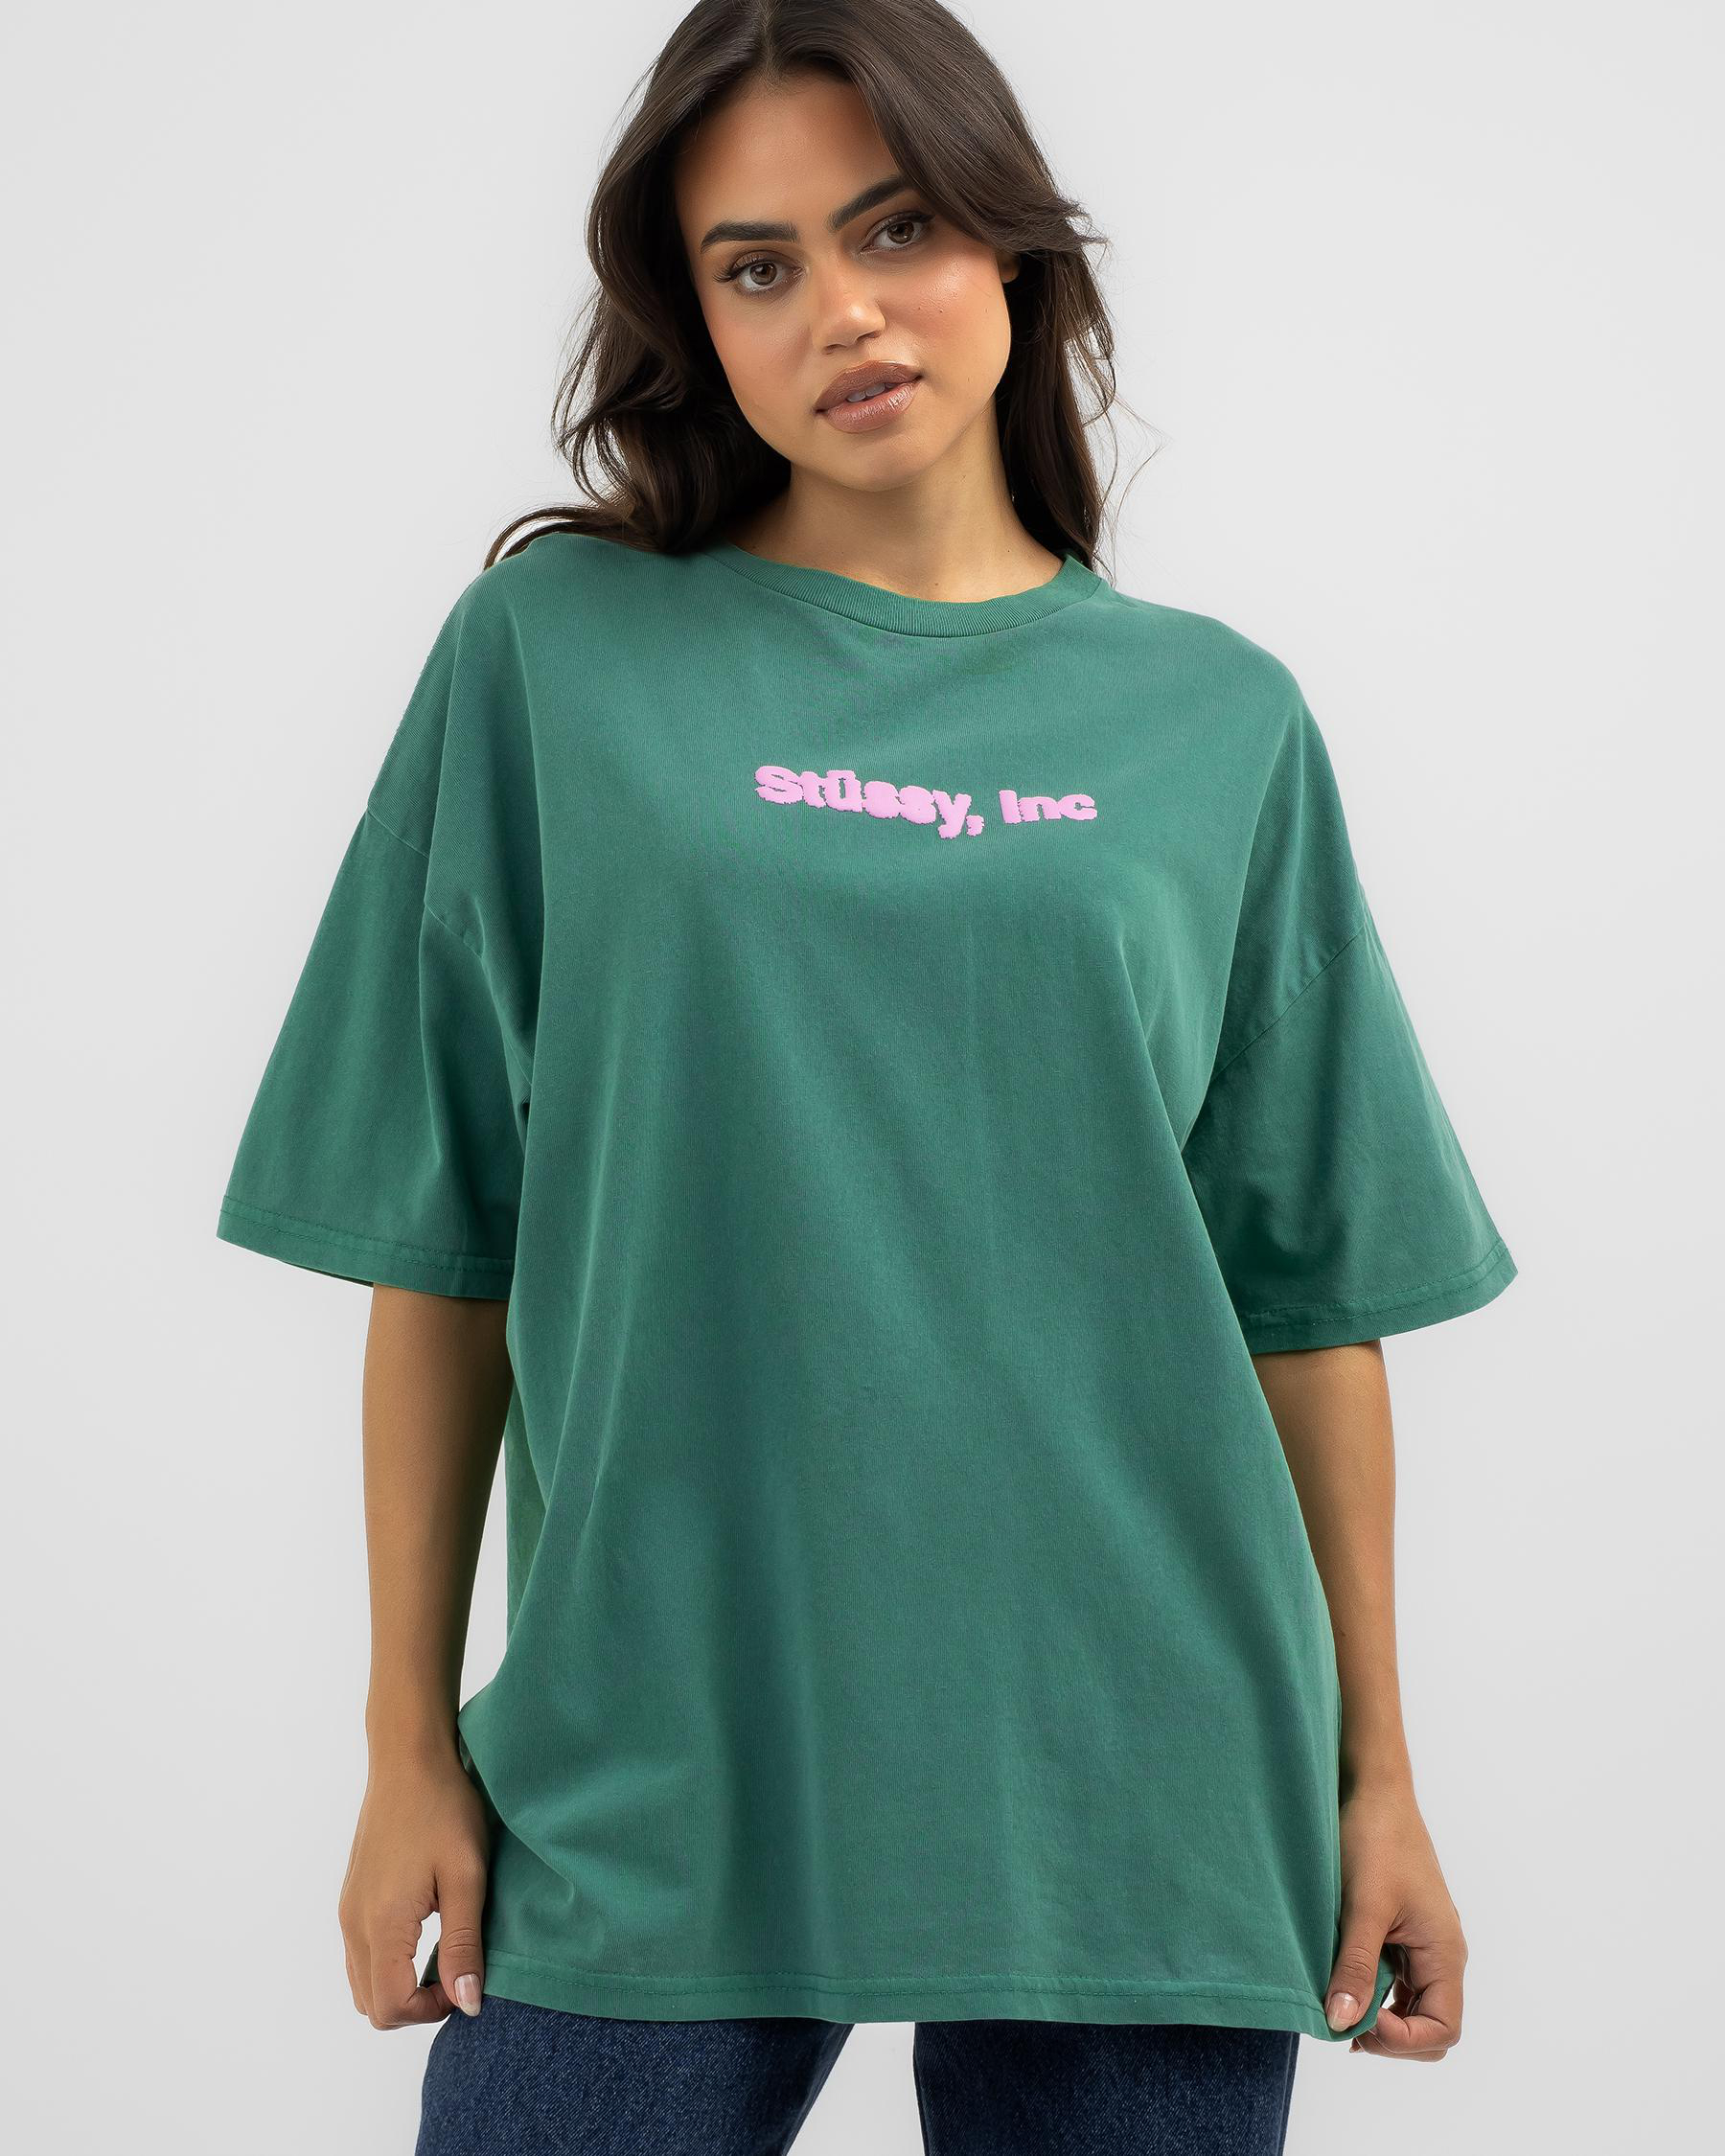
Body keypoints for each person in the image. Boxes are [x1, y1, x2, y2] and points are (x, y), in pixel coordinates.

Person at [215, 3, 1519, 2149]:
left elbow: (1304, 1309)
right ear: (697, 321)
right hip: (657, 1755)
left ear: (1010, 246)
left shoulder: (1220, 725)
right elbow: (444, 1244)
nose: (842, 307)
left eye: (896, 226)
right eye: (759, 264)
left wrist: (1380, 1780)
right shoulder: (553, 662)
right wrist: (406, 1748)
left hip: (1141, 1770)